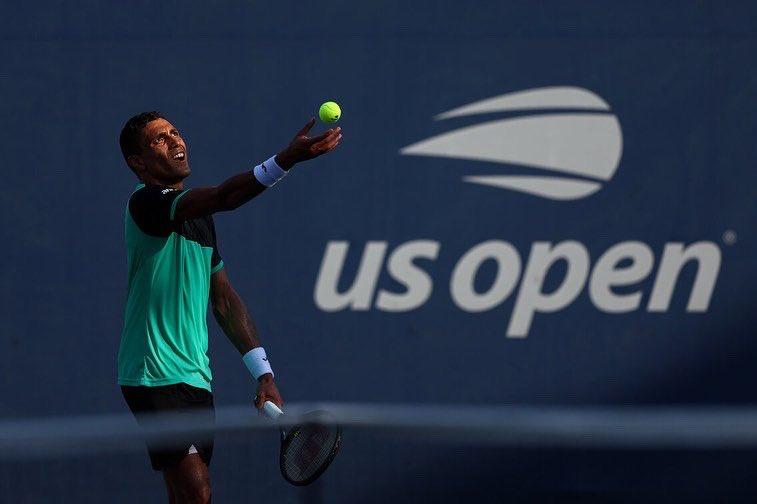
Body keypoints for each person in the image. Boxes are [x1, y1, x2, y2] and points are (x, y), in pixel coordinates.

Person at [117, 111, 342, 503]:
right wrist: (285, 159)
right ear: (137, 162)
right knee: (197, 491)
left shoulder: (199, 218)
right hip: (152, 373)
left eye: (175, 132)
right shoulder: (147, 204)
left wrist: (263, 373)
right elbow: (225, 196)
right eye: (159, 139)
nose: (175, 141)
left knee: (184, 495)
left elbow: (222, 298)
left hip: (195, 375)